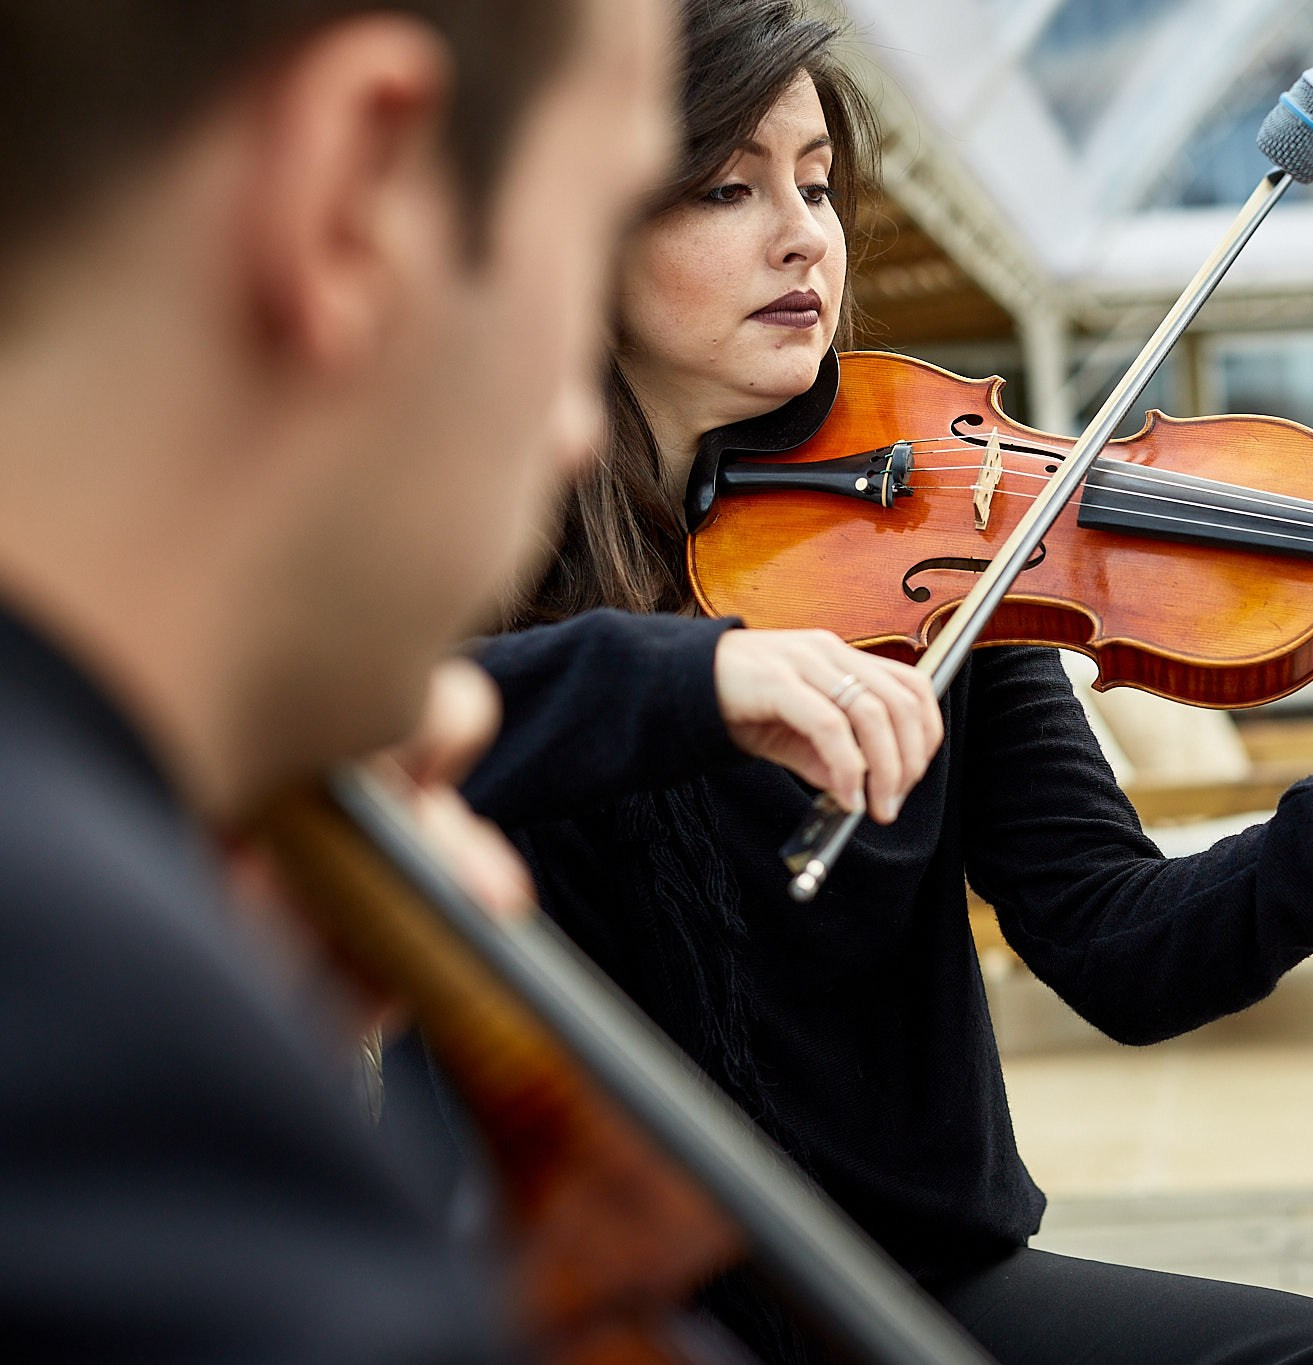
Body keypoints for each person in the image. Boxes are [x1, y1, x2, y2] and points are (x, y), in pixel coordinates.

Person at [461, 2, 1313, 1362]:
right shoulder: (470, 541)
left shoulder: (947, 548)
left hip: (903, 1291)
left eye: (819, 187)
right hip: (568, 1308)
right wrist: (695, 675)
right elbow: (357, 735)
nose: (804, 236)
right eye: (729, 188)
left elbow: (1125, 950)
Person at [0, 0, 939, 1356]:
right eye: (589, 216)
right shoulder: (113, 1092)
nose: (575, 427)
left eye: (816, 187)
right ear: (349, 198)